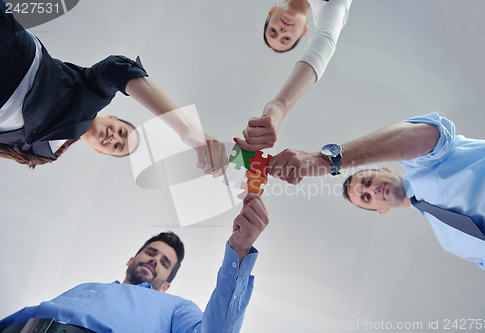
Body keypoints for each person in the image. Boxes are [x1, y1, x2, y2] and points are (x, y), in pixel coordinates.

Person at [0, 0, 226, 174]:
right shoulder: (92, 94)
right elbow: (117, 69)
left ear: (101, 151)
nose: (114, 138)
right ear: (112, 117)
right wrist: (188, 131)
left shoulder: (47, 154)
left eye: (117, 146)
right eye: (121, 132)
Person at [267, 112, 485, 277]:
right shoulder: (449, 241)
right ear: (382, 210)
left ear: (385, 169)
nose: (372, 189)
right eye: (366, 197)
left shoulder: (424, 163)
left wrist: (330, 161)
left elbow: (425, 135)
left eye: (367, 181)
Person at [0, 192, 269, 333]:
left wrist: (239, 250)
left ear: (166, 286)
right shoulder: (87, 286)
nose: (155, 260)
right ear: (131, 259)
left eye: (165, 263)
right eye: (151, 252)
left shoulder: (177, 307)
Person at [235, 0, 352, 152]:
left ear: (271, 12)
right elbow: (325, 39)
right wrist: (280, 106)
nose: (282, 32)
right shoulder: (329, 8)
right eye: (287, 39)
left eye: (273, 31)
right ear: (304, 31)